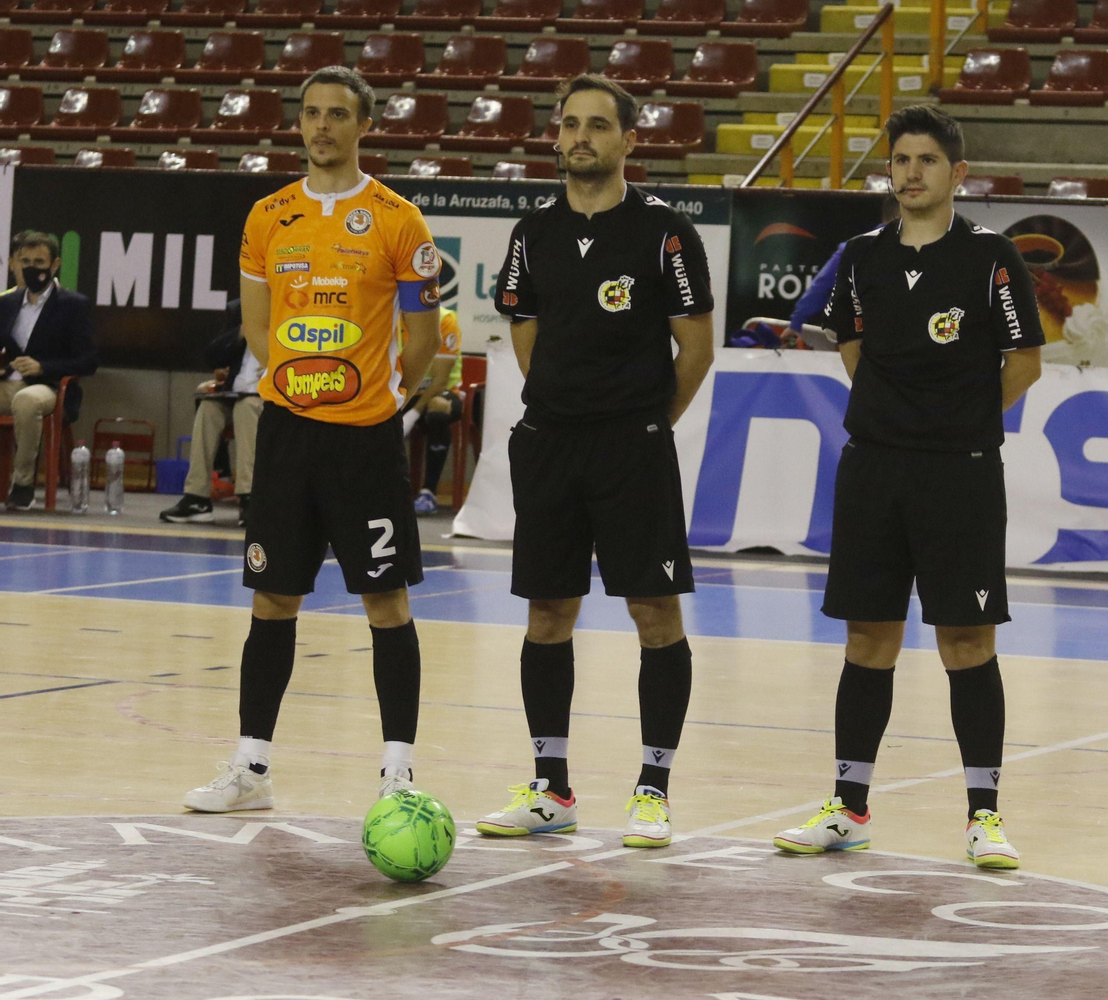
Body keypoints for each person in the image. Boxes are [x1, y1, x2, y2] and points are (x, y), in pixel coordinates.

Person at [771, 105, 1044, 869]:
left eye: (928, 160)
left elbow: (1024, 364)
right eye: (901, 160)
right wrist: (895, 415)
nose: (912, 173)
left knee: (966, 641)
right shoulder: (861, 255)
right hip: (874, 470)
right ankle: (849, 808)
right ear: (889, 172)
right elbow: (850, 342)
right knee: (868, 640)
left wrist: (953, 423)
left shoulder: (991, 256)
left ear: (958, 174)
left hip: (960, 475)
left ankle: (983, 816)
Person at [183, 66, 443, 813]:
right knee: (273, 599)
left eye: (337, 114)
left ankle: (398, 772)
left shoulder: (400, 219)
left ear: (366, 126)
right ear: (297, 124)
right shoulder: (268, 216)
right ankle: (251, 769)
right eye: (310, 113)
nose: (321, 126)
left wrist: (377, 393)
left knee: (386, 605)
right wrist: (300, 381)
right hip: (289, 433)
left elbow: (421, 342)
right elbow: (259, 329)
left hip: (365, 442)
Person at [475, 74, 715, 849]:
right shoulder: (530, 232)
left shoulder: (665, 231)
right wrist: (567, 403)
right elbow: (526, 332)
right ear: (556, 135)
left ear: (628, 141)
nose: (581, 137)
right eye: (570, 124)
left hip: (631, 449)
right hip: (549, 442)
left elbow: (696, 347)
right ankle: (552, 788)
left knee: (654, 613)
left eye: (598, 126)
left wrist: (644, 423)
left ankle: (653, 788)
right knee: (548, 614)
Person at [0, 230, 97, 511]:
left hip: (51, 385)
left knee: (27, 401)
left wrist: (43, 366)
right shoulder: (7, 303)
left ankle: (23, 485)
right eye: (25, 261)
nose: (32, 269)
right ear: (16, 264)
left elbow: (88, 360)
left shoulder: (72, 305)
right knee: (19, 395)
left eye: (39, 262)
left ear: (54, 265)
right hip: (12, 381)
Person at [160, 297, 263, 527]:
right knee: (208, 407)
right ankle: (197, 498)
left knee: (247, 409)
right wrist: (240, 332)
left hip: (273, 395)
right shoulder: (240, 309)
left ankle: (249, 498)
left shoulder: (296, 304)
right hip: (236, 393)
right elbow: (212, 356)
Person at [403, 305, 463, 515]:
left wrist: (411, 415)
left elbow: (440, 381)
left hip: (440, 392)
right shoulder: (388, 316)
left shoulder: (444, 320)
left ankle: (429, 491)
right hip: (403, 392)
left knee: (438, 410)